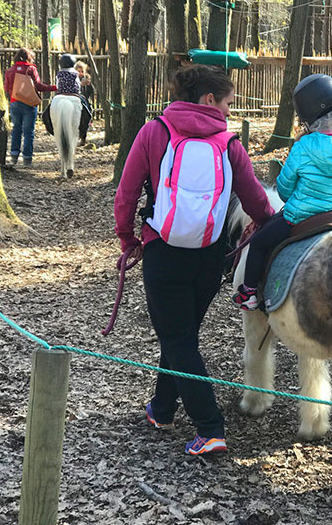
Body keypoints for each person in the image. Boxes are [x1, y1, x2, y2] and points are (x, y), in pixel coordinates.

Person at [114, 64, 274, 456]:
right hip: (209, 255)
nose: (230, 111)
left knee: (178, 337)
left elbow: (127, 192)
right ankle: (163, 409)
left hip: (163, 252)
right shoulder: (229, 143)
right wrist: (266, 225)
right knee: (181, 334)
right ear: (208, 100)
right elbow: (256, 200)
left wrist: (128, 238)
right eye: (228, 103)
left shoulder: (154, 132)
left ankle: (210, 428)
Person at [232, 74, 332, 311]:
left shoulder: (303, 146)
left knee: (259, 242)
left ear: (308, 117)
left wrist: (293, 195)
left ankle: (249, 293)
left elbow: (284, 188)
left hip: (299, 217)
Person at [3, 48, 57, 166]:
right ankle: (27, 158)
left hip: (15, 102)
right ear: (29, 58)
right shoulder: (30, 69)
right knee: (28, 132)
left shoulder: (10, 70)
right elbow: (38, 86)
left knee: (16, 129)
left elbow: (6, 88)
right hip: (29, 103)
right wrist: (53, 87)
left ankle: (14, 156)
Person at [75, 60, 94, 145]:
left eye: (82, 71)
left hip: (85, 102)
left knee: (87, 115)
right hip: (76, 102)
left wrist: (88, 85)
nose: (80, 73)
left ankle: (83, 138)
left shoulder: (87, 79)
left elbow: (92, 91)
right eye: (78, 71)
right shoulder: (74, 79)